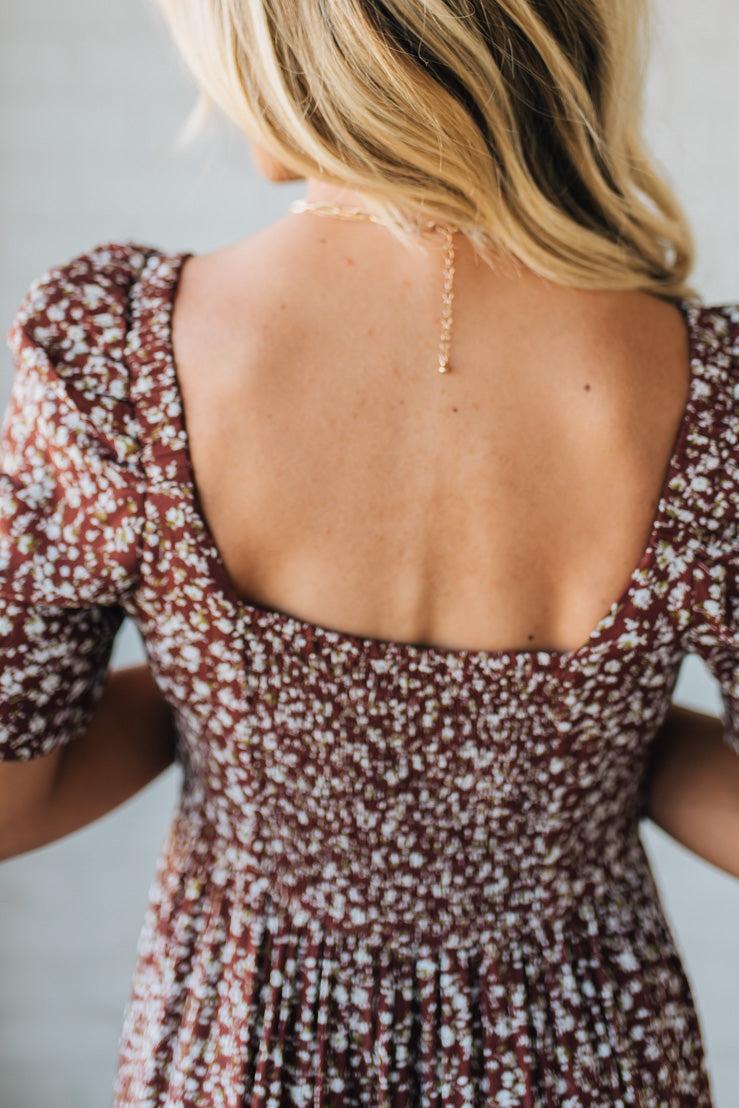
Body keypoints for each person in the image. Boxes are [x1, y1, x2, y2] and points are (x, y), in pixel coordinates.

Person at [0, 0, 736, 1103]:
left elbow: (12, 799)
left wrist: (240, 705)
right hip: (593, 1054)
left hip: (244, 1049)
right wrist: (587, 748)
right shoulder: (713, 398)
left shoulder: (110, 353)